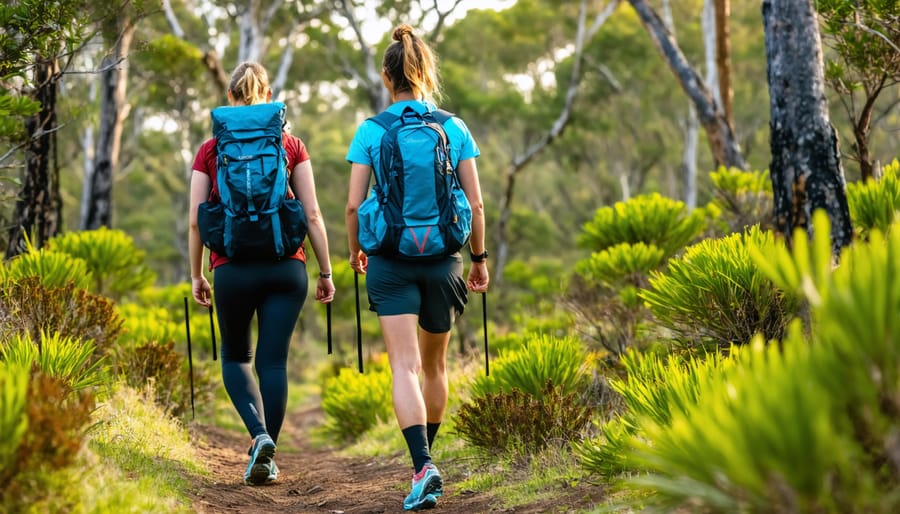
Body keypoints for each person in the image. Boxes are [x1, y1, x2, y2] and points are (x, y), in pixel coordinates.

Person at [344, 24, 490, 511]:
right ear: (425, 71)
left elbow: (351, 206)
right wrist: (479, 259)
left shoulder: (371, 130)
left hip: (389, 261)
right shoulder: (453, 126)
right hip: (443, 262)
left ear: (388, 78)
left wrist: (355, 251)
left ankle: (421, 465)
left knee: (403, 366)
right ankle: (426, 461)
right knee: (434, 365)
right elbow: (476, 202)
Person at [188, 61, 335, 486]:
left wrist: (197, 273)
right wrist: (325, 271)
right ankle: (268, 454)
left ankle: (258, 436)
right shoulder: (290, 144)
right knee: (273, 363)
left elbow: (197, 220)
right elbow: (311, 213)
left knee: (235, 357)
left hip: (231, 269)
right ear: (268, 94)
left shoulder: (211, 149)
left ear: (231, 97)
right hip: (286, 267)